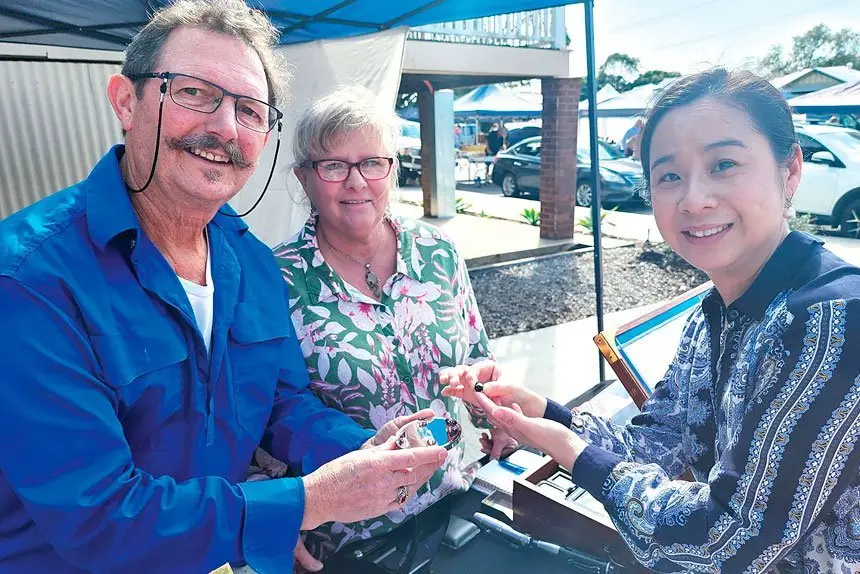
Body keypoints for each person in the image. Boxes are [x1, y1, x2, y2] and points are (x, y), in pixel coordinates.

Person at [0, 2, 448, 573]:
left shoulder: (252, 263)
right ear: (126, 102)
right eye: (193, 92)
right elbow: (99, 516)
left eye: (250, 109)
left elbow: (280, 404)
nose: (225, 127)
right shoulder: (28, 279)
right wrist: (306, 502)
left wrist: (361, 449)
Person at [442, 68, 860, 573]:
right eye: (669, 176)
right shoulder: (715, 311)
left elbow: (727, 541)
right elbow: (654, 443)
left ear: (789, 169)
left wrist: (573, 453)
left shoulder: (830, 321)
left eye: (724, 164)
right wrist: (543, 415)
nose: (693, 198)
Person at [272, 85, 508, 569]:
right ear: (304, 177)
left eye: (371, 163)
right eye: (333, 166)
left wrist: (496, 416)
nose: (356, 182)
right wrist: (275, 513)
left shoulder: (438, 251)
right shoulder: (276, 279)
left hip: (451, 498)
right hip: (348, 537)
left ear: (392, 169)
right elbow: (267, 414)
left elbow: (475, 354)